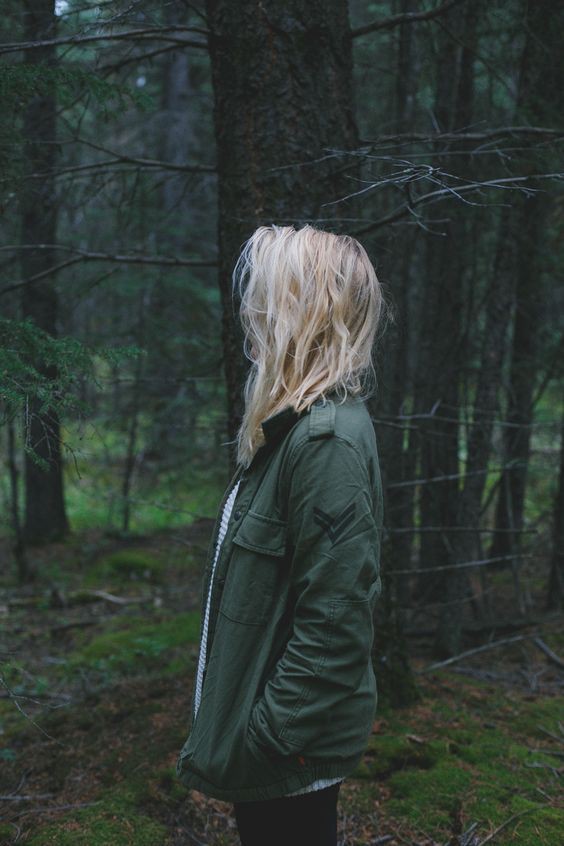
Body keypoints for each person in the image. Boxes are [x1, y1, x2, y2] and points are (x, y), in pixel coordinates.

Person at [176, 224, 387, 846]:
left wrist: (274, 733)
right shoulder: (291, 431)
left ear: (305, 310)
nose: (250, 311)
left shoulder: (325, 442)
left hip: (286, 754)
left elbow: (338, 616)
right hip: (272, 747)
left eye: (265, 296)